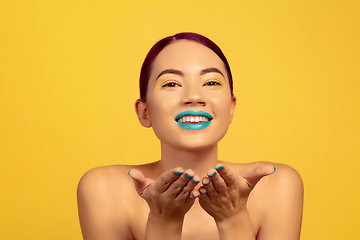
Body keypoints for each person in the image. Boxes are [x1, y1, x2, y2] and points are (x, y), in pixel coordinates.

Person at [77, 32, 303, 240]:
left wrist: (233, 218)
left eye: (212, 82)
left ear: (231, 107)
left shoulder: (275, 185)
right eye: (171, 83)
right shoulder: (104, 190)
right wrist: (164, 221)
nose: (194, 96)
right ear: (144, 113)